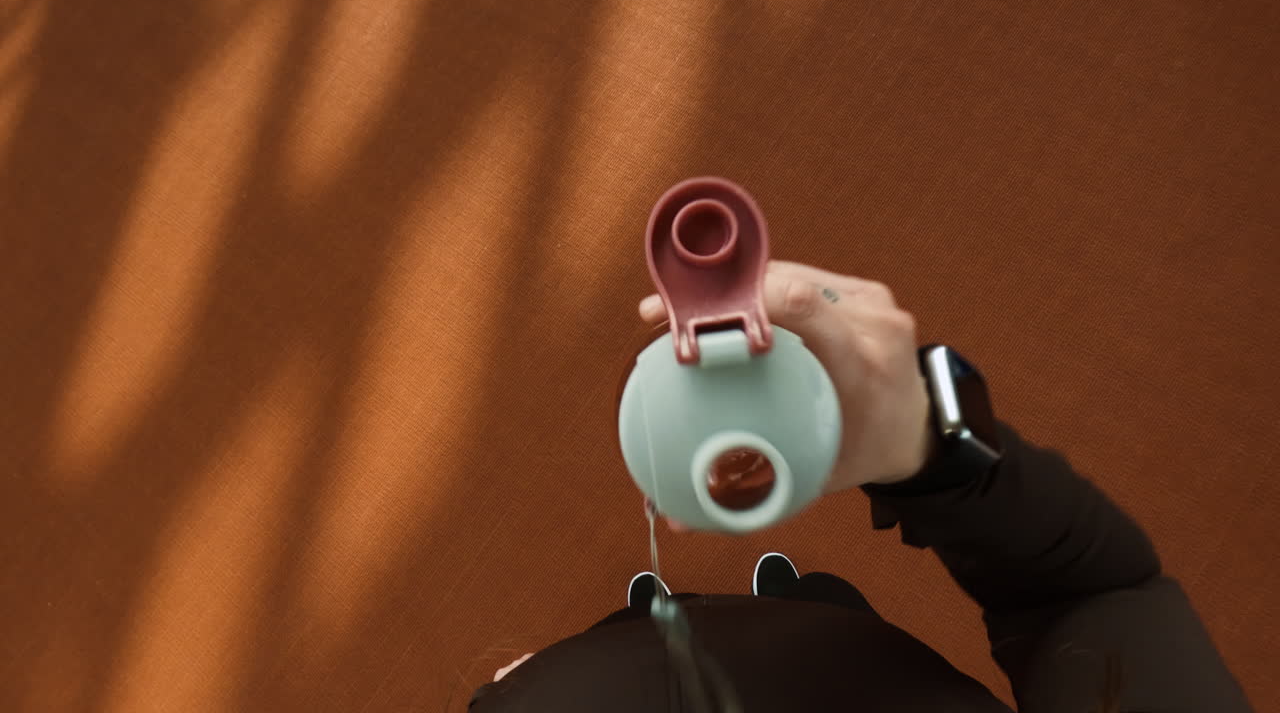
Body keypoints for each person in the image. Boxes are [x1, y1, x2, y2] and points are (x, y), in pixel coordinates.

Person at [469, 261, 1251, 712]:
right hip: (850, 664)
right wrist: (934, 438)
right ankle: (801, 606)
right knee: (819, 613)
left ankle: (659, 624)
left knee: (653, 630)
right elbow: (1096, 602)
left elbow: (1094, 605)